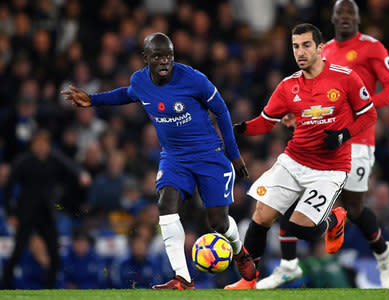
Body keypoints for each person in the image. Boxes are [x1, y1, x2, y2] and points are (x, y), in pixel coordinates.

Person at [61, 32, 256, 290]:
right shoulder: (140, 80)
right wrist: (93, 100)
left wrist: (234, 154)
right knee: (165, 204)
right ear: (146, 58)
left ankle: (239, 251)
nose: (164, 61)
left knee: (218, 223)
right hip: (174, 157)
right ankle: (182, 278)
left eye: (168, 56)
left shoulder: (194, 79)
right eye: (157, 56)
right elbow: (127, 94)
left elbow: (220, 110)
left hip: (209, 155)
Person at [258, 0, 389, 289]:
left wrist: (357, 107)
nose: (346, 17)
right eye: (340, 13)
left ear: (358, 18)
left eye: (351, 13)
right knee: (295, 196)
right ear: (333, 18)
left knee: (355, 208)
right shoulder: (324, 51)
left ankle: (383, 253)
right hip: (323, 142)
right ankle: (289, 265)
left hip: (359, 140)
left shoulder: (372, 47)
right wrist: (293, 114)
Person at [225, 23, 377, 289]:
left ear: (320, 48)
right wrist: (240, 128)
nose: (300, 52)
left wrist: (343, 134)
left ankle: (334, 218)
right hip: (293, 161)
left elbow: (369, 114)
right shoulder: (288, 86)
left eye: (306, 45)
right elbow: (266, 121)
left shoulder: (345, 77)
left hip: (330, 169)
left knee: (299, 228)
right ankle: (248, 281)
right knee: (260, 216)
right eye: (296, 46)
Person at [1, 130, 92, 289]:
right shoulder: (24, 161)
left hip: (46, 213)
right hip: (27, 213)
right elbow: (9, 187)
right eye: (38, 144)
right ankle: (4, 285)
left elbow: (70, 165)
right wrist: (11, 213)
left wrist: (81, 174)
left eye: (45, 144)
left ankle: (50, 288)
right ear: (33, 145)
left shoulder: (54, 158)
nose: (42, 147)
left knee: (54, 252)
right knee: (18, 251)